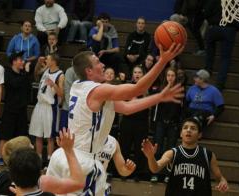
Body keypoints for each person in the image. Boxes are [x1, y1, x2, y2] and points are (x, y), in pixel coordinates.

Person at [47, 42, 184, 195]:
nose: (103, 65)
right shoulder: (97, 91)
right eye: (98, 62)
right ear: (89, 71)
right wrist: (163, 61)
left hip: (64, 154)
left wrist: (159, 97)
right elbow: (137, 90)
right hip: (82, 161)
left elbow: (127, 108)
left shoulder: (78, 86)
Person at [0, 129, 85, 196]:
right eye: (30, 146)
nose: (33, 146)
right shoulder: (43, 181)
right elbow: (78, 183)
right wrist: (68, 150)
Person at [142, 117, 229, 195]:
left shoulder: (208, 155)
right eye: (185, 128)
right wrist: (150, 157)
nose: (188, 130)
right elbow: (155, 168)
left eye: (193, 128)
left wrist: (223, 182)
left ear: (199, 135)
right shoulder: (172, 153)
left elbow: (219, 177)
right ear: (180, 134)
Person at [0, 51, 32, 165]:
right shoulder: (7, 73)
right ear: (14, 62)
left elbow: (28, 87)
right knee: (5, 135)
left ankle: (18, 161)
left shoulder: (23, 74)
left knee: (21, 136)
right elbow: (15, 84)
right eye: (20, 60)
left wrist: (26, 73)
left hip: (21, 110)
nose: (22, 62)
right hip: (10, 109)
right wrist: (26, 72)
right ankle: (0, 158)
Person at [29, 53, 64, 163]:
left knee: (50, 137)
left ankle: (49, 161)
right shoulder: (46, 70)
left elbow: (61, 94)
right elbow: (36, 73)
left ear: (53, 61)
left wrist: (53, 85)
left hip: (50, 107)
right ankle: (38, 159)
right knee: (38, 135)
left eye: (47, 59)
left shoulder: (60, 75)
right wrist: (38, 63)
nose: (45, 60)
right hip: (39, 105)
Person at [150, 67, 182, 183]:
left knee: (170, 150)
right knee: (157, 149)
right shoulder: (160, 90)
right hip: (160, 123)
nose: (170, 78)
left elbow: (180, 111)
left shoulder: (179, 91)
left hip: (173, 125)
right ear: (165, 77)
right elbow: (155, 109)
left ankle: (168, 174)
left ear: (175, 77)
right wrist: (154, 124)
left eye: (172, 75)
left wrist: (178, 125)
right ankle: (155, 174)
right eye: (168, 75)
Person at [119, 65, 149, 181]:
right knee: (124, 147)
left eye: (139, 72)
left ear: (143, 74)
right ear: (132, 74)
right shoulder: (127, 86)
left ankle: (138, 173)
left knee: (139, 149)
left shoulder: (147, 88)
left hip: (141, 122)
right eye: (135, 72)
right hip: (127, 121)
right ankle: (123, 171)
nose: (137, 74)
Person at [203, 0, 239, 90]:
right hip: (230, 28)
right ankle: (220, 84)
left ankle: (206, 75)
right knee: (225, 58)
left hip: (214, 26)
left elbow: (206, 12)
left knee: (209, 53)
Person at [87, 12, 128, 79]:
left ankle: (116, 77)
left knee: (117, 57)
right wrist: (101, 27)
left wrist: (105, 51)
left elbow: (117, 49)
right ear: (99, 22)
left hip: (105, 53)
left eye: (106, 22)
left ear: (109, 23)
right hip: (93, 53)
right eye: (102, 22)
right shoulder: (94, 29)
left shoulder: (112, 30)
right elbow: (98, 38)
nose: (104, 24)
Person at [59, 66, 78, 130]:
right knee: (64, 133)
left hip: (79, 110)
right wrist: (71, 107)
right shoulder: (71, 71)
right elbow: (67, 90)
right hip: (68, 109)